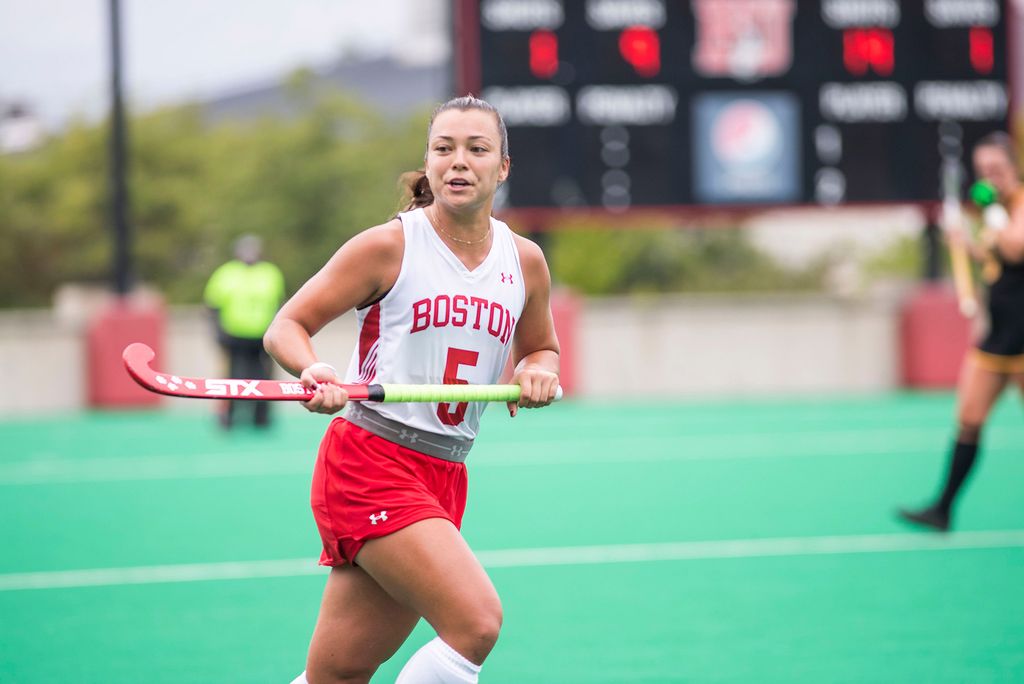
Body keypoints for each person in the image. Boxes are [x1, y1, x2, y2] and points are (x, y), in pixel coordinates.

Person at [263, 96, 561, 684]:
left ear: (502, 166)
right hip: (370, 460)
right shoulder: (388, 246)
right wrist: (313, 370)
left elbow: (541, 346)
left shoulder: (524, 261)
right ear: (426, 163)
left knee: (338, 674)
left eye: (477, 150)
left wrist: (538, 369)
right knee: (475, 623)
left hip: (445, 470)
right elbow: (286, 327)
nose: (459, 162)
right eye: (444, 149)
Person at [899, 131, 1024, 532]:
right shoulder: (998, 211)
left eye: (997, 169)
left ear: (1013, 168)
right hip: (998, 337)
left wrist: (989, 219)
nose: (989, 178)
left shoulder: (1018, 204)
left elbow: (1017, 247)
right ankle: (943, 508)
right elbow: (996, 263)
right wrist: (965, 242)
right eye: (983, 171)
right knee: (969, 418)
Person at [204, 234, 286, 428]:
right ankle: (228, 418)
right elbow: (212, 305)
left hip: (263, 336)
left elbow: (280, 305)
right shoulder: (225, 273)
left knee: (264, 376)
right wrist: (217, 332)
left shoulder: (270, 273)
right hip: (233, 335)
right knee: (232, 376)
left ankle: (261, 418)